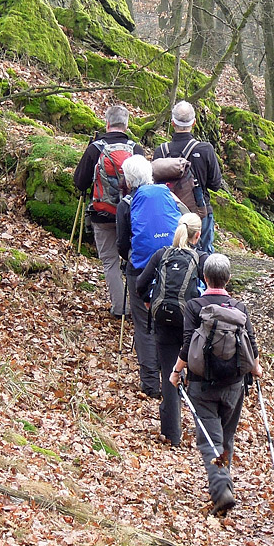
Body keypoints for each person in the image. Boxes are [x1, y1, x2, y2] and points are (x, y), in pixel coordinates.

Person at [169, 253, 262, 516]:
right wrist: (255, 368)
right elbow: (251, 346)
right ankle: (225, 483)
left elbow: (188, 344)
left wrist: (176, 372)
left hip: (202, 385)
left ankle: (221, 489)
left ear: (204, 278)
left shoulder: (194, 306)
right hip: (234, 385)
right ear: (228, 279)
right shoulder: (239, 309)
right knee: (226, 437)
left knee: (210, 439)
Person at [136, 213, 208, 447]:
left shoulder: (161, 255)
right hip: (190, 324)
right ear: (198, 235)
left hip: (164, 321)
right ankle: (207, 433)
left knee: (170, 374)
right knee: (198, 373)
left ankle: (171, 434)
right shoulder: (201, 259)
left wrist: (149, 301)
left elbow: (140, 284)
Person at [116, 155, 185, 398]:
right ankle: (170, 377)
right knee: (162, 321)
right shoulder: (166, 194)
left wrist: (131, 260)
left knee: (143, 325)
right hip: (170, 267)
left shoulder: (126, 203)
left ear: (128, 179)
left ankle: (149, 384)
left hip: (140, 271)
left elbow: (122, 244)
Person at [73, 105, 145, 317]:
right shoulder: (136, 150)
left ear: (107, 123)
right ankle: (138, 308)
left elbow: (79, 182)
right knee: (134, 259)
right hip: (131, 215)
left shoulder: (96, 148)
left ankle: (119, 309)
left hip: (102, 214)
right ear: (126, 125)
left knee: (110, 261)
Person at [153, 100, 222, 254]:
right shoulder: (205, 149)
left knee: (169, 253)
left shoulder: (160, 152)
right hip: (199, 213)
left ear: (172, 123)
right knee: (203, 256)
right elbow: (216, 184)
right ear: (194, 123)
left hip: (168, 213)